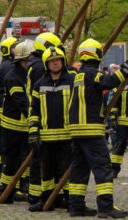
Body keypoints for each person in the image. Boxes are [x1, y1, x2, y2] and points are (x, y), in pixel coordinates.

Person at [68, 38, 128, 218]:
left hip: (76, 130)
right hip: (91, 130)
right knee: (103, 167)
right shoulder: (92, 73)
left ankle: (76, 206)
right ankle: (106, 207)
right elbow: (110, 81)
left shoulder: (78, 74)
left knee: (79, 169)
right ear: (97, 54)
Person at [27, 47, 75, 212]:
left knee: (66, 169)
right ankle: (47, 199)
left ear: (63, 62)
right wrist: (33, 132)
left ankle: (69, 200)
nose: (55, 63)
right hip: (46, 137)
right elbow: (33, 110)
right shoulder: (39, 84)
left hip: (67, 135)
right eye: (52, 61)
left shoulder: (72, 81)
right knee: (46, 170)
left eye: (58, 60)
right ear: (46, 64)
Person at [0, 40, 35, 204]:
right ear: (21, 60)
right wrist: (35, 117)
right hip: (12, 125)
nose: (30, 63)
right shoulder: (12, 77)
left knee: (25, 158)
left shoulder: (27, 74)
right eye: (28, 60)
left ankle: (22, 188)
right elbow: (22, 102)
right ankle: (4, 192)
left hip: (25, 125)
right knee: (11, 159)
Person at [27, 32, 63, 204]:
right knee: (42, 165)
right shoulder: (39, 71)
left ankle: (54, 196)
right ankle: (39, 196)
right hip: (45, 127)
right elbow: (35, 105)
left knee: (52, 165)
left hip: (58, 131)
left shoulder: (33, 64)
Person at [0, 37, 18, 176]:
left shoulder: (1, 65)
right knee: (8, 147)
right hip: (2, 111)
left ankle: (3, 174)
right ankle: (7, 176)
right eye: (14, 47)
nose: (17, 49)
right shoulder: (9, 66)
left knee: (3, 146)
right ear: (7, 50)